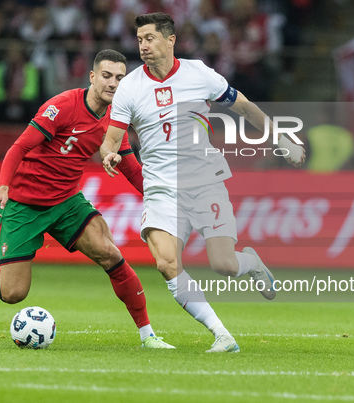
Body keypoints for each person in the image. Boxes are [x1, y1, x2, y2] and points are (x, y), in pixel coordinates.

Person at [100, 13, 306, 353]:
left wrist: (280, 138)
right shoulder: (131, 88)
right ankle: (222, 335)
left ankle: (250, 263)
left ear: (170, 40)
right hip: (161, 188)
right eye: (139, 39)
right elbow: (111, 139)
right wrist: (110, 154)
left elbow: (244, 107)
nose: (143, 45)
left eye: (150, 38)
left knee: (223, 264)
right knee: (167, 263)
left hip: (205, 181)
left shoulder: (198, 74)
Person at [0, 49, 174, 349]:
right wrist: (3, 187)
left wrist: (159, 199)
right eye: (106, 76)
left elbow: (131, 168)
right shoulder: (62, 106)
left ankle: (147, 335)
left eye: (120, 78)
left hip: (66, 202)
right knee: (12, 294)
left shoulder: (116, 119)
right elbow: (18, 148)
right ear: (92, 77)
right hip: (24, 204)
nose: (113, 83)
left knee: (110, 254)